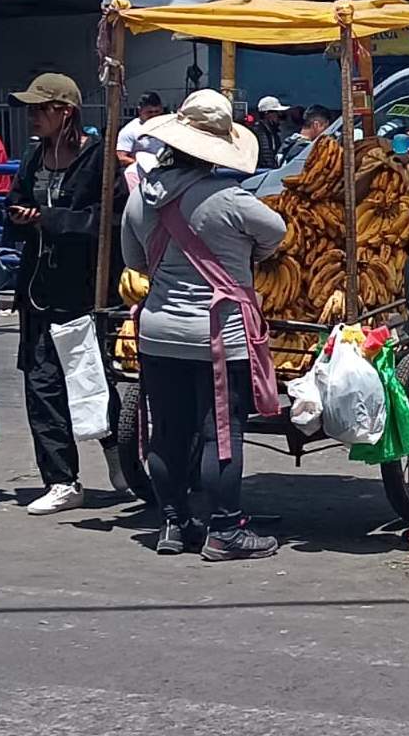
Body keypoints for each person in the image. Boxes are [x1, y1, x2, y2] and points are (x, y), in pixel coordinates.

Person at [121, 90, 286, 560]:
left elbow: (136, 262)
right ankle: (225, 530)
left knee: (167, 433)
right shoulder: (233, 201)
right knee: (222, 436)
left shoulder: (140, 200)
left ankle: (172, 524)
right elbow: (277, 232)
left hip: (157, 334)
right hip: (221, 336)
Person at [5, 73, 127, 515]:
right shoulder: (33, 158)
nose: (33, 117)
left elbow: (109, 222)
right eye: (31, 110)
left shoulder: (100, 161)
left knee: (95, 380)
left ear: (65, 112)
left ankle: (118, 456)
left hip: (85, 291)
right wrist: (20, 217)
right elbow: (15, 203)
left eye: (41, 109)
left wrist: (51, 219)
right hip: (37, 291)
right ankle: (61, 479)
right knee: (42, 387)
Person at [116, 91, 167, 168]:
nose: (153, 115)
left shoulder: (167, 127)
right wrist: (144, 165)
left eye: (157, 112)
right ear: (140, 111)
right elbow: (121, 158)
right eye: (149, 112)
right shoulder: (130, 130)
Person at [250, 95, 289, 170]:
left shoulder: (274, 133)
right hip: (259, 173)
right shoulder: (256, 132)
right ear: (267, 114)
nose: (279, 117)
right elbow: (265, 158)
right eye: (277, 113)